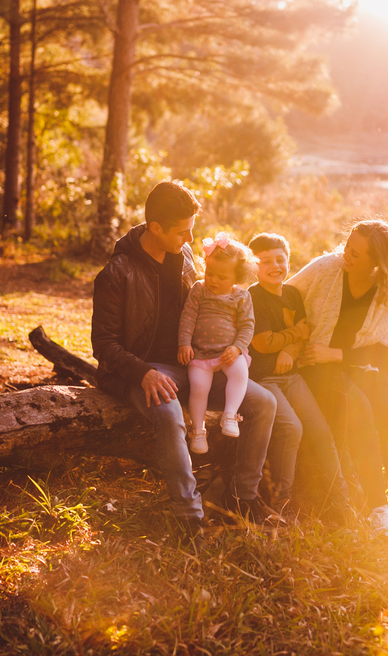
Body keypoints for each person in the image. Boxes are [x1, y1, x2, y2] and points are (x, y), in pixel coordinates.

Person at [90, 181, 280, 540]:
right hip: (143, 369)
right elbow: (104, 345)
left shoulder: (188, 259)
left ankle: (243, 498)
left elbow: (206, 306)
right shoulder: (117, 273)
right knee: (170, 413)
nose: (190, 239)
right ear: (156, 228)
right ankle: (191, 519)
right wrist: (143, 373)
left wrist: (231, 345)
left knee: (263, 403)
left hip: (193, 364)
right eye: (183, 231)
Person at [290, 219, 388, 536]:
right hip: (316, 364)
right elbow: (284, 295)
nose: (346, 256)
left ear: (377, 263)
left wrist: (338, 354)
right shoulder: (326, 268)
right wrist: (293, 338)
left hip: (357, 363)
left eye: (356, 255)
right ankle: (379, 508)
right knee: (359, 409)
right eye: (347, 247)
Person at [248, 233, 352, 522]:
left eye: (280, 260)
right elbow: (263, 343)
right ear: (253, 265)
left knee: (321, 431)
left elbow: (303, 333)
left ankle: (341, 500)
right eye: (265, 261)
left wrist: (290, 352)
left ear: (288, 261)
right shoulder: (252, 297)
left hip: (291, 375)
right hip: (263, 378)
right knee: (291, 428)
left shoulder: (292, 294)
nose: (275, 266)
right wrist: (293, 338)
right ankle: (282, 502)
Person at [178, 232, 256, 454]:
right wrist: (184, 343)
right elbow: (188, 317)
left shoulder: (241, 297)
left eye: (222, 277)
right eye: (210, 273)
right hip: (200, 354)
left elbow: (247, 326)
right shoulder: (199, 290)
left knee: (240, 372)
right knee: (199, 388)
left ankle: (230, 415)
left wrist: (237, 347)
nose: (213, 280)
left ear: (236, 278)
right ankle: (198, 431)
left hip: (227, 354)